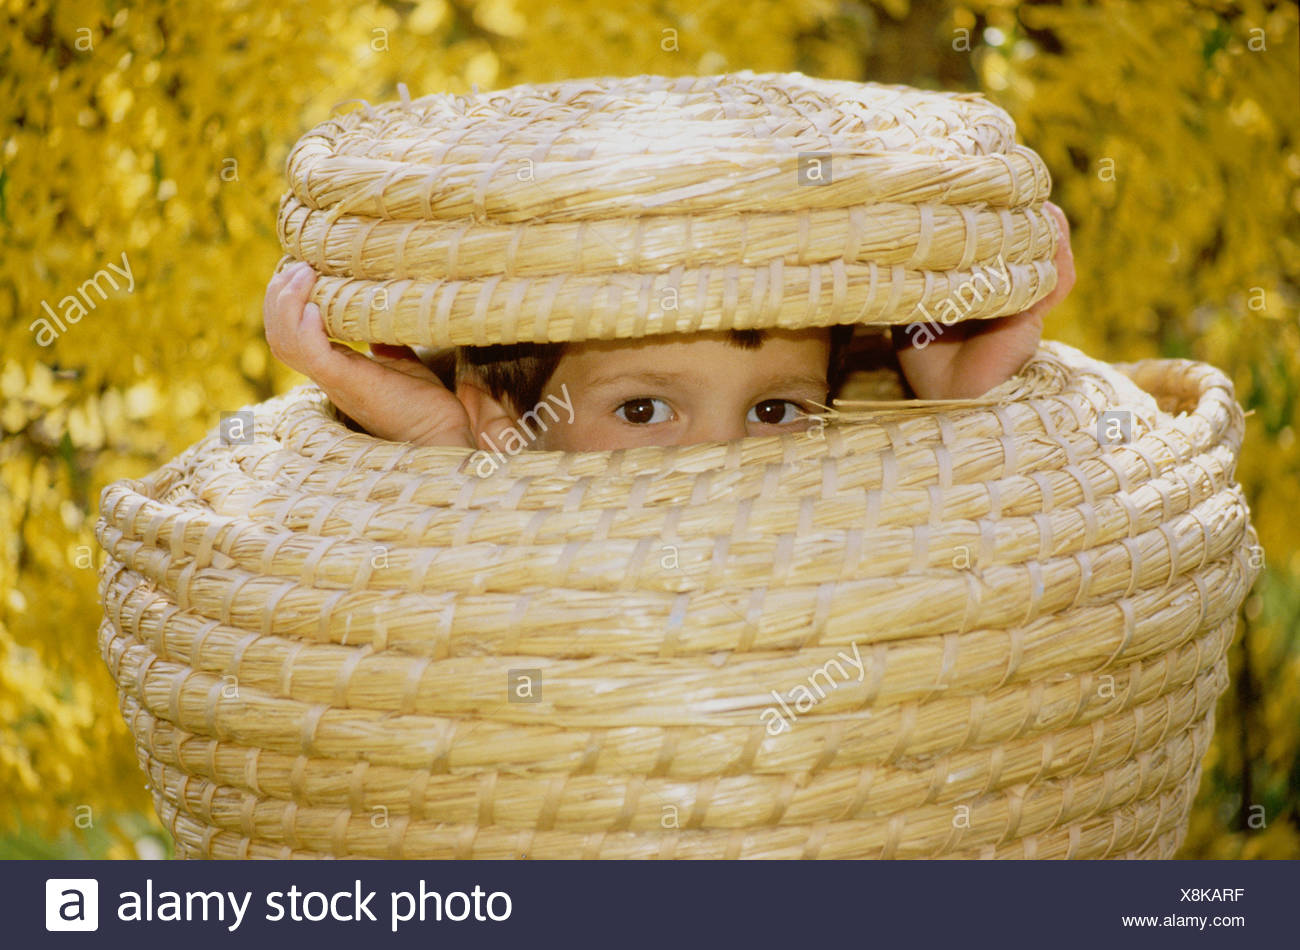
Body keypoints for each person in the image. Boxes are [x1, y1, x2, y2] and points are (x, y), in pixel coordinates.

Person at [263, 204, 1073, 453]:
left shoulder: (826, 532)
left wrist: (951, 402)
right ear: (511, 428)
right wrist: (450, 437)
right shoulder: (511, 466)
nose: (715, 462)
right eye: (644, 410)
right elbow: (499, 509)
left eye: (775, 411)